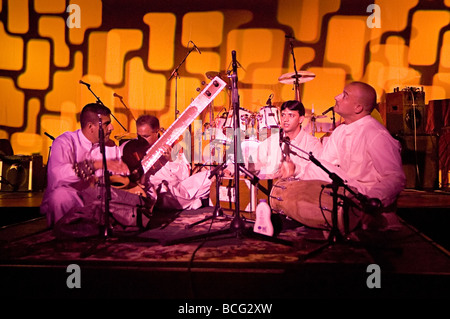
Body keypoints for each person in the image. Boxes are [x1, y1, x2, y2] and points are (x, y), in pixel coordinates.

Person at [280, 82, 406, 233]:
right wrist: (297, 169)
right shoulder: (341, 131)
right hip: (347, 193)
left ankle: (367, 218)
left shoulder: (376, 134)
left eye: (344, 95)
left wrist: (370, 202)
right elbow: (323, 167)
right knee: (316, 167)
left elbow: (395, 177)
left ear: (358, 108)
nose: (337, 97)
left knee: (316, 167)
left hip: (366, 198)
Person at [40, 103, 131, 227]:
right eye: (106, 123)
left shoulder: (110, 146)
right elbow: (58, 175)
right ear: (90, 127)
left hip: (98, 200)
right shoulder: (65, 142)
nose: (111, 127)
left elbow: (116, 180)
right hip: (73, 198)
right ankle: (65, 236)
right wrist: (95, 165)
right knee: (60, 196)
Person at [121, 114, 212, 211]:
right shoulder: (131, 148)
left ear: (157, 132)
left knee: (210, 176)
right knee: (161, 194)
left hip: (180, 187)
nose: (141, 140)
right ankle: (196, 202)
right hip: (159, 191)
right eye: (139, 136)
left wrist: (172, 159)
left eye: (146, 136)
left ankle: (192, 202)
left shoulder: (171, 143)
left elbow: (184, 177)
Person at [254, 100, 323, 179]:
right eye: (283, 115)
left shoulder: (313, 144)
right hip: (274, 189)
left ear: (301, 119)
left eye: (291, 115)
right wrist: (266, 176)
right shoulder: (271, 141)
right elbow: (253, 167)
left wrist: (296, 170)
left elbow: (319, 174)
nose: (285, 119)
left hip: (301, 189)